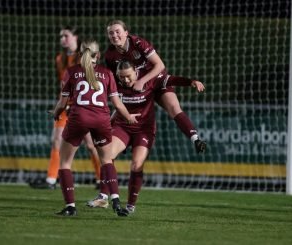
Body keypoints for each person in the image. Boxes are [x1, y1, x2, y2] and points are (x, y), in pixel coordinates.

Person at [87, 60, 205, 213]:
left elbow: (170, 79)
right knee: (107, 154)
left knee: (137, 164)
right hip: (123, 126)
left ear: (136, 71)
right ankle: (103, 196)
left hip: (144, 129)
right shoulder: (114, 82)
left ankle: (130, 206)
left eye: (128, 76)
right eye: (122, 77)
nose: (126, 80)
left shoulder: (149, 79)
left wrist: (191, 82)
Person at [54, 41, 140, 217]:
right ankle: (116, 201)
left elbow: (62, 103)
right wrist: (129, 117)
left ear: (80, 54)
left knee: (64, 163)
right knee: (107, 161)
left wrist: (56, 113)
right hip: (102, 120)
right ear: (98, 56)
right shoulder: (107, 73)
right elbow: (117, 103)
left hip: (79, 118)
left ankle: (70, 206)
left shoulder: (71, 72)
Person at [104, 20, 206, 153]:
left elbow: (160, 65)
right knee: (124, 110)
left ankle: (196, 139)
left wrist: (142, 81)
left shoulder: (138, 43)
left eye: (118, 32)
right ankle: (124, 140)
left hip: (155, 80)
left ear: (126, 33)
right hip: (136, 88)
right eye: (111, 33)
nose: (114, 35)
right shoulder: (110, 55)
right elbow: (116, 79)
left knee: (174, 108)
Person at [29, 25, 101, 190]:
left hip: (82, 107)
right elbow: (64, 85)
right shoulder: (60, 58)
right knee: (56, 141)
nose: (62, 39)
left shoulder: (84, 57)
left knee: (91, 145)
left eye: (66, 36)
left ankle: (101, 178)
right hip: (64, 107)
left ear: (76, 37)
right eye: (61, 36)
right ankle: (51, 180)